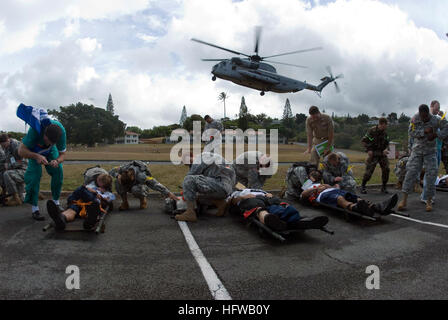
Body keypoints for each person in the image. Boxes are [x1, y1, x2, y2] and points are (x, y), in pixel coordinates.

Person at [18, 109, 67, 221]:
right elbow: (21, 151)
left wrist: (57, 161)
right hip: (34, 151)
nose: (48, 144)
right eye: (48, 141)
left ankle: (56, 203)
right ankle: (35, 208)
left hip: (50, 152)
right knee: (35, 176)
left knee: (58, 170)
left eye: (52, 143)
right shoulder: (34, 131)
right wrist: (36, 156)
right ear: (44, 133)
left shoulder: (61, 132)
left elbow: (63, 154)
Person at [398, 104, 448, 212]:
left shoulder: (436, 119)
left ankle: (429, 201)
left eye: (425, 117)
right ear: (419, 113)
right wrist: (423, 132)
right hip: (417, 151)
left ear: (428, 114)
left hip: (430, 151)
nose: (423, 118)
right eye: (422, 116)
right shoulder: (415, 118)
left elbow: (446, 128)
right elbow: (411, 132)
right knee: (410, 172)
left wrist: (436, 134)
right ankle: (404, 200)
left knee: (431, 174)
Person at [228, 188, 329, 232]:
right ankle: (270, 220)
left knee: (279, 206)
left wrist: (269, 195)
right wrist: (242, 197)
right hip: (250, 200)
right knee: (259, 209)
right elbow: (231, 202)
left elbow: (271, 197)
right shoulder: (238, 192)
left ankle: (297, 220)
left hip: (267, 198)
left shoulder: (260, 190)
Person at [175, 152, 236, 222]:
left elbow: (190, 177)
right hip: (227, 189)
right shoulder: (209, 159)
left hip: (220, 185)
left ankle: (190, 213)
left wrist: (185, 192)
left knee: (188, 179)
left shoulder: (199, 159)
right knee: (196, 195)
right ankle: (221, 203)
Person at [46, 172, 115, 231]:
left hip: (92, 203)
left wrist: (99, 194)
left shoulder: (109, 193)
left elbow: (108, 201)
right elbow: (87, 188)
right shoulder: (93, 186)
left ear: (101, 182)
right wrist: (94, 190)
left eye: (98, 180)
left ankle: (89, 220)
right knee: (72, 209)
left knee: (83, 190)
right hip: (80, 202)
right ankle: (61, 219)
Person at [300, 181, 398, 217]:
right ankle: (354, 207)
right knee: (339, 198)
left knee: (353, 196)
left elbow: (329, 186)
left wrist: (325, 185)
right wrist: (317, 188)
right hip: (322, 196)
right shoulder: (307, 188)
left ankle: (377, 207)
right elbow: (303, 195)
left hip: (333, 190)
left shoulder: (320, 183)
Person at [109, 160, 178, 211]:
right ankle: (125, 203)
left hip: (140, 187)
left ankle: (142, 200)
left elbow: (155, 184)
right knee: (117, 182)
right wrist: (117, 175)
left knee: (135, 189)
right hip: (128, 182)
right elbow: (111, 171)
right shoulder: (124, 168)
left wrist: (168, 193)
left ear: (132, 178)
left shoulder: (141, 176)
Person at [360, 117, 390, 194]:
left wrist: (386, 149)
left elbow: (387, 143)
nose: (386, 127)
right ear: (381, 124)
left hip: (382, 154)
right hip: (373, 153)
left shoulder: (385, 133)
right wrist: (368, 150)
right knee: (369, 171)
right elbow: (364, 141)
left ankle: (384, 187)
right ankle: (363, 186)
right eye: (385, 125)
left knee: (386, 169)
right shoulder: (372, 131)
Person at [0, 134, 27, 206]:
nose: (2, 147)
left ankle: (15, 198)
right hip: (16, 170)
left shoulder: (16, 146)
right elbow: (7, 160)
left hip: (25, 170)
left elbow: (22, 162)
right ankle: (6, 194)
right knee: (2, 173)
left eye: (3, 145)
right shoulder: (7, 147)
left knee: (7, 174)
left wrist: (8, 166)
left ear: (7, 140)